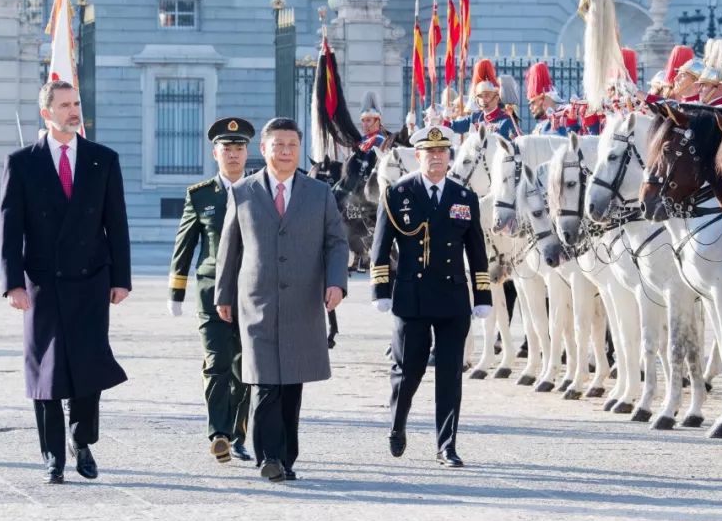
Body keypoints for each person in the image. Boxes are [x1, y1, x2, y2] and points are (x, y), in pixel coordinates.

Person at [0, 80, 131, 485]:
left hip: (92, 279)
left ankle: (82, 439)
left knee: (89, 365)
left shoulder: (102, 159)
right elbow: (10, 228)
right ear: (47, 113)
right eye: (65, 105)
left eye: (76, 103)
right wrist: (13, 283)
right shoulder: (22, 162)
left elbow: (116, 223)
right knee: (46, 372)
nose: (74, 111)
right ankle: (53, 455)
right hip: (42, 282)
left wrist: (121, 279)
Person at [214, 117, 349, 483]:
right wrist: (223, 295)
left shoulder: (318, 194)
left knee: (291, 387)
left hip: (303, 304)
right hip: (256, 303)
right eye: (278, 145)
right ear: (264, 149)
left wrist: (336, 282)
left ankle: (287, 457)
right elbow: (230, 249)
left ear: (298, 149)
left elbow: (337, 243)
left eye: (291, 145)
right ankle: (268, 457)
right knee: (264, 384)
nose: (285, 152)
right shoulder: (242, 192)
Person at [370, 124, 492, 468]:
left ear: (449, 157)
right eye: (429, 152)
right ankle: (398, 423)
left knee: (450, 375)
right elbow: (380, 248)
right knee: (409, 371)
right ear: (418, 155)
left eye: (442, 152)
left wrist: (482, 295)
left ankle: (446, 445)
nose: (436, 158)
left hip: (453, 297)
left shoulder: (464, 196)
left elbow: (477, 250)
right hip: (413, 299)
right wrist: (381, 290)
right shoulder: (398, 193)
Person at [167, 117, 255, 464]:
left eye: (239, 148)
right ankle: (218, 433)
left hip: (251, 294)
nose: (233, 155)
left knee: (246, 367)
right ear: (214, 152)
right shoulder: (200, 195)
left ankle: (240, 436)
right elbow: (184, 245)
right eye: (226, 149)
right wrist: (176, 292)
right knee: (218, 363)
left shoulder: (258, 190)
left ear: (248, 152)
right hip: (210, 293)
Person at [449, 59, 521, 140]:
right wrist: (440, 121)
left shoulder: (505, 120)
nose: (483, 99)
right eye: (480, 96)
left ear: (496, 97)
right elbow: (454, 126)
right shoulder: (475, 117)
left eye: (487, 95)